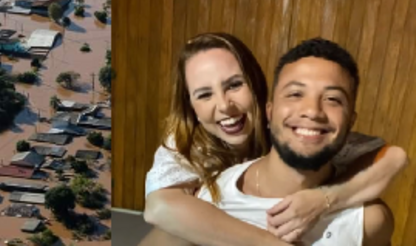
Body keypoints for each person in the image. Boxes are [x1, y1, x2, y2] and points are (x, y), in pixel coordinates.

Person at [142, 33, 407, 246]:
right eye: (204, 95)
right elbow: (160, 208)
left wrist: (323, 198)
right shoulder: (187, 145)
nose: (224, 106)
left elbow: (395, 157)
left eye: (234, 85)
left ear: (258, 89)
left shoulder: (297, 131)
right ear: (192, 109)